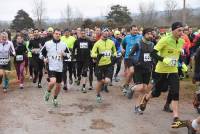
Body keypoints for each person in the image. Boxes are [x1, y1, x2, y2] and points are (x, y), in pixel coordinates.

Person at [138, 22, 186, 127]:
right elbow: (153, 53)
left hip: (173, 71)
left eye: (182, 31)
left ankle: (176, 118)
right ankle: (146, 99)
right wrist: (164, 60)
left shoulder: (182, 41)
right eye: (179, 30)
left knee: (175, 92)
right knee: (157, 92)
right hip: (161, 71)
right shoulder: (165, 40)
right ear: (173, 30)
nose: (181, 33)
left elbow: (177, 55)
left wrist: (181, 64)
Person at [126, 28, 154, 114]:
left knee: (144, 89)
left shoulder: (152, 44)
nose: (150, 35)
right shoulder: (138, 44)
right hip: (138, 68)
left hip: (148, 69)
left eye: (151, 34)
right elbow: (129, 56)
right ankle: (132, 88)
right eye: (148, 34)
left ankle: (137, 107)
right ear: (144, 34)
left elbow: (153, 55)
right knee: (141, 87)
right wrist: (132, 65)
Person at [41, 29, 70, 107]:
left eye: (59, 34)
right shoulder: (47, 44)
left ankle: (55, 98)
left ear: (61, 35)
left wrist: (64, 54)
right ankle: (48, 91)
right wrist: (44, 58)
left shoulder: (64, 44)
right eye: (56, 33)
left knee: (58, 86)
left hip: (60, 68)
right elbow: (41, 53)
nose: (57, 35)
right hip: (51, 66)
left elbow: (69, 55)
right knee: (53, 82)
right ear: (53, 34)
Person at [91, 28, 117, 103]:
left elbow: (114, 51)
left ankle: (103, 84)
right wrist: (98, 55)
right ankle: (98, 94)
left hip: (108, 64)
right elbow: (92, 53)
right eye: (105, 32)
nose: (106, 33)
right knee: (100, 82)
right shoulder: (97, 43)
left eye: (107, 32)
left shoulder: (111, 42)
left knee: (107, 80)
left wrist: (114, 55)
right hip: (99, 65)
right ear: (102, 33)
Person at [122, 25, 142, 95]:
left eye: (136, 30)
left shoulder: (140, 37)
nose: (135, 31)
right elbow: (123, 45)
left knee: (134, 73)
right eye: (134, 30)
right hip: (128, 57)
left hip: (137, 58)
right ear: (130, 30)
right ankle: (126, 86)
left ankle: (127, 85)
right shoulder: (126, 37)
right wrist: (123, 49)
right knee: (131, 71)